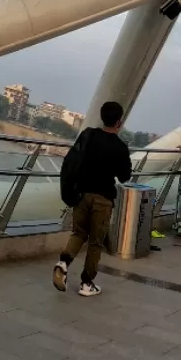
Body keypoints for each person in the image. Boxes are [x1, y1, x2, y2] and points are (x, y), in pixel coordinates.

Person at [53, 99, 132, 297]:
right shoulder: (120, 147)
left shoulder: (89, 135)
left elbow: (73, 158)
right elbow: (125, 176)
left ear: (102, 117)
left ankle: (63, 262)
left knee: (78, 233)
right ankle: (87, 284)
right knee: (96, 242)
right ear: (119, 122)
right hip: (103, 199)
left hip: (82, 194)